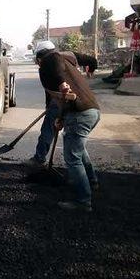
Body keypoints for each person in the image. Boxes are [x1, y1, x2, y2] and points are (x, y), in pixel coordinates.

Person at [37, 44, 101, 212]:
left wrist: (61, 83)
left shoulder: (51, 60)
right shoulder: (69, 64)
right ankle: (92, 181)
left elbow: (54, 61)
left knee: (72, 158)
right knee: (79, 150)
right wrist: (61, 118)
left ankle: (83, 201)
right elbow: (64, 100)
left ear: (39, 59)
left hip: (80, 114)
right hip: (92, 112)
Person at [27, 42, 98, 167]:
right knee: (75, 141)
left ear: (40, 57)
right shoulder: (68, 55)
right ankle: (91, 178)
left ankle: (39, 158)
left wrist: (50, 106)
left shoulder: (48, 60)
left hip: (63, 98)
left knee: (48, 129)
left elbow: (51, 89)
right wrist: (91, 70)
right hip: (76, 100)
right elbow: (92, 60)